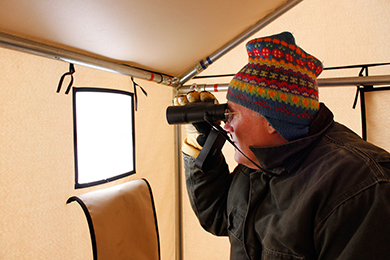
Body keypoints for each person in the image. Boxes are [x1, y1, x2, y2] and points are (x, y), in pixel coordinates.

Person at [176, 32, 390, 259]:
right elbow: (220, 218)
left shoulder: (361, 187)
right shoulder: (259, 160)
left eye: (231, 114)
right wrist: (200, 144)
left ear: (271, 121)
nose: (225, 124)